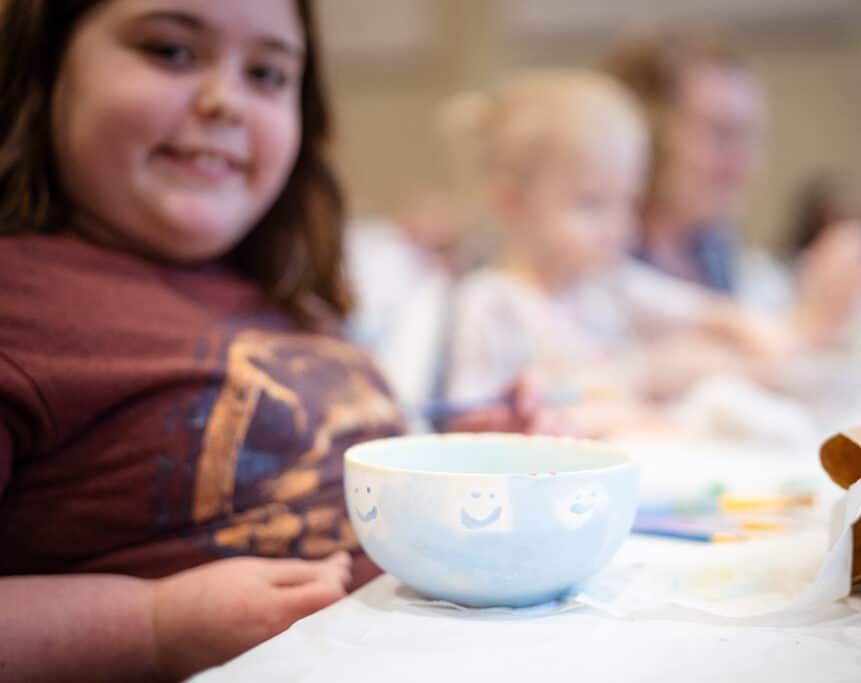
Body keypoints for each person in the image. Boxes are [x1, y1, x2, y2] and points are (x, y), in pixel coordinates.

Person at [0, 1, 545, 680]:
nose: (224, 100)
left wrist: (450, 451)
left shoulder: (284, 296)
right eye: (170, 51)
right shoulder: (19, 302)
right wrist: (151, 624)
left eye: (266, 73)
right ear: (46, 62)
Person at [443, 69, 792, 438]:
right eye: (592, 203)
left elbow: (699, 311)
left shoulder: (609, 283)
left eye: (626, 201)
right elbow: (467, 417)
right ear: (511, 202)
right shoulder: (491, 303)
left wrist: (754, 331)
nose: (618, 225)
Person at [604, 31, 861, 342]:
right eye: (722, 134)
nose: (746, 166)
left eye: (750, 138)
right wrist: (808, 322)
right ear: (645, 136)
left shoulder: (713, 248)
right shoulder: (596, 262)